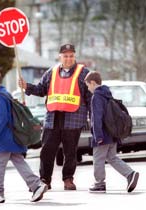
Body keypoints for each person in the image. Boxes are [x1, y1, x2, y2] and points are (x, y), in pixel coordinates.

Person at [19, 44, 92, 190]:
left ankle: (68, 179)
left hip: (74, 119)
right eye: (65, 56)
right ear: (60, 57)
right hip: (52, 119)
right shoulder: (51, 72)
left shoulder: (83, 73)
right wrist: (27, 86)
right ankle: (45, 180)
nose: (68, 58)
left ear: (75, 56)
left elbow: (89, 96)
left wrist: (92, 117)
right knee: (47, 151)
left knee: (70, 152)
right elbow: (41, 89)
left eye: (71, 55)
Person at [0, 68, 47, 203]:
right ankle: (36, 185)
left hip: (3, 139)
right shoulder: (5, 94)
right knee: (19, 161)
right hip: (13, 137)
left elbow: (1, 121)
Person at [84, 71, 139, 193]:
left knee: (98, 159)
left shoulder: (96, 97)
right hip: (112, 133)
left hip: (102, 135)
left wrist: (97, 136)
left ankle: (99, 184)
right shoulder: (108, 95)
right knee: (112, 157)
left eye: (88, 85)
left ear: (93, 83)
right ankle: (130, 174)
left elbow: (97, 118)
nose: (88, 89)